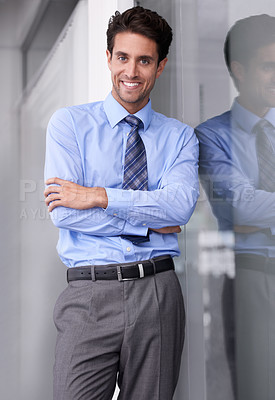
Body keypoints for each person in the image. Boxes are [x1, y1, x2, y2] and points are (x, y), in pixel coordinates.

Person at [44, 6, 199, 400]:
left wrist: (99, 197)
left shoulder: (180, 138)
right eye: (123, 57)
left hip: (158, 293)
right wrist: (147, 219)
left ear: (160, 66)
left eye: (144, 60)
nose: (131, 72)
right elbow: (63, 212)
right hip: (89, 294)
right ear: (109, 57)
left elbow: (179, 208)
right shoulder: (70, 125)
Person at [196, 14, 275, 400]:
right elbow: (241, 207)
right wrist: (251, 213)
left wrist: (263, 215)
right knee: (258, 390)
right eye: (268, 66)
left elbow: (257, 209)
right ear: (238, 70)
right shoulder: (211, 136)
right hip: (251, 278)